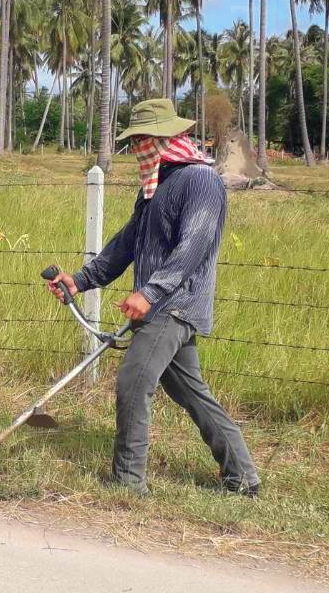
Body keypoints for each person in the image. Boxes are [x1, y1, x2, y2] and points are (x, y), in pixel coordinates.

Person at [46, 98, 260, 497]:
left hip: (175, 304)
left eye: (143, 139)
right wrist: (81, 280)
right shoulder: (155, 187)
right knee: (190, 392)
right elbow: (128, 242)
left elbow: (193, 246)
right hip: (157, 303)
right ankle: (243, 476)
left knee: (133, 381)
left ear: (164, 138)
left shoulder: (200, 181)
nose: (138, 148)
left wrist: (151, 292)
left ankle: (128, 484)